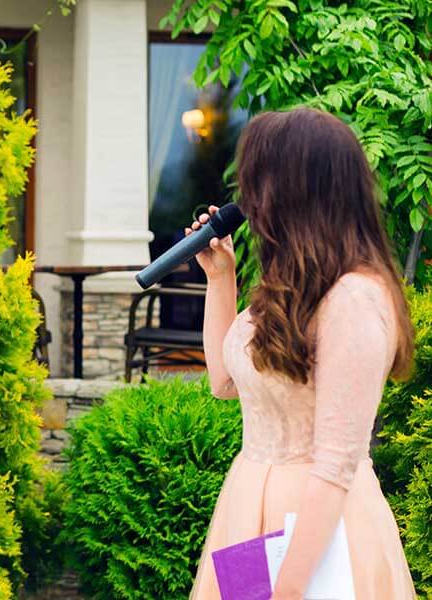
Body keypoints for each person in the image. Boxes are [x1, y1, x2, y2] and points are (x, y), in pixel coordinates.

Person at [189, 107, 416, 599]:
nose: (250, 199)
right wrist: (220, 277)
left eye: (259, 181)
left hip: (318, 533)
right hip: (250, 519)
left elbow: (335, 467)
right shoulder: (289, 286)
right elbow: (224, 384)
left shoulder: (354, 298)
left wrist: (286, 590)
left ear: (298, 189)